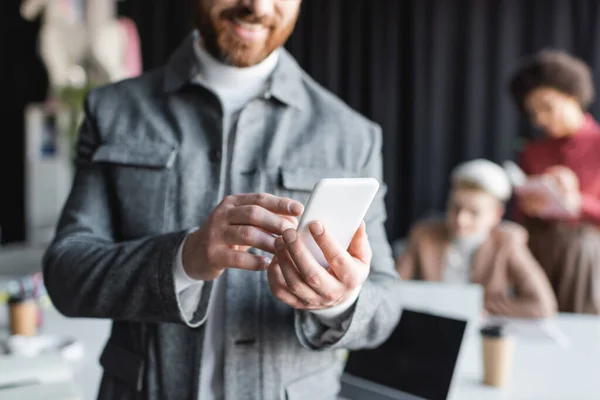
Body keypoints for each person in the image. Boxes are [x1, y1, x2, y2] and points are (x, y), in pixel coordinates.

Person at [42, 1, 403, 399]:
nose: (257, 6)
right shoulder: (111, 111)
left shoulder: (353, 135)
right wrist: (183, 258)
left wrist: (341, 299)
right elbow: (65, 274)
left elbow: (385, 306)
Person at [397, 159, 557, 318]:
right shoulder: (424, 234)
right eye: (455, 208)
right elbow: (393, 287)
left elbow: (543, 305)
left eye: (474, 212)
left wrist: (478, 308)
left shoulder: (507, 241)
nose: (461, 219)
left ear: (496, 215)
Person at [509, 49, 600, 314]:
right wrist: (530, 206)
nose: (541, 119)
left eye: (548, 107)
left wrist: (577, 204)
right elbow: (520, 216)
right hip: (540, 244)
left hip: (586, 251)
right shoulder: (533, 152)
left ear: (573, 96)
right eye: (534, 113)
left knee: (580, 246)